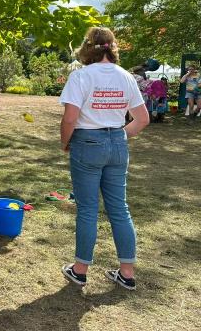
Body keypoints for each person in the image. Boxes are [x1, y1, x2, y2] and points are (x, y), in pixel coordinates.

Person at [59, 27, 149, 291]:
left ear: (87, 48)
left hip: (87, 142)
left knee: (87, 209)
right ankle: (127, 273)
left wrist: (66, 143)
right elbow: (142, 119)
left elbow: (70, 119)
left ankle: (80, 270)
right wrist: (119, 136)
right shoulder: (126, 77)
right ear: (113, 48)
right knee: (119, 208)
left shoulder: (81, 76)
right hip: (117, 144)